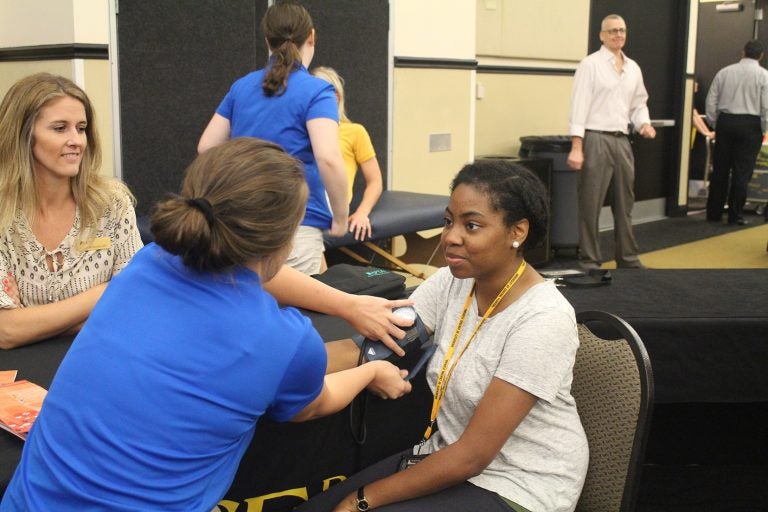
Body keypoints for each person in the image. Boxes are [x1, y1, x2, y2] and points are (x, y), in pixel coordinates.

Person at [0, 138, 412, 512]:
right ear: (285, 240)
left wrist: (346, 304)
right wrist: (371, 371)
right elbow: (314, 404)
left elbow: (251, 268)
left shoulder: (148, 263)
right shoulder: (283, 341)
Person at [296, 159, 588, 512]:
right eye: (449, 221)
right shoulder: (453, 283)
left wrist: (360, 499)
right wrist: (283, 368)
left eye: (472, 225)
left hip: (521, 484)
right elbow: (372, 348)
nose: (450, 237)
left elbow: (473, 456)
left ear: (518, 232)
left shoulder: (543, 319)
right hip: (446, 456)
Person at [198, 2, 348, 275]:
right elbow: (328, 158)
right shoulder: (317, 91)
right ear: (311, 36)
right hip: (293, 226)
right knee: (302, 314)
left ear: (267, 39)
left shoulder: (241, 86)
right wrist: (341, 217)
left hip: (244, 224)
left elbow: (206, 147)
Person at [0, 72, 142, 349]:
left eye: (81, 128)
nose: (77, 141)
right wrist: (107, 291)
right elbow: (6, 331)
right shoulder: (4, 215)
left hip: (100, 360)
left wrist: (33, 323)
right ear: (24, 136)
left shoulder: (112, 203)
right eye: (60, 128)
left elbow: (136, 304)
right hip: (20, 378)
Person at [567, 14, 656, 269]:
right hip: (595, 139)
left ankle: (628, 257)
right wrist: (577, 146)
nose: (618, 35)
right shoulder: (590, 65)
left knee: (625, 203)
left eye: (622, 30)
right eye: (613, 31)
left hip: (622, 141)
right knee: (590, 203)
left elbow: (639, 103)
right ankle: (590, 259)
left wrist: (644, 124)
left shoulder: (633, 68)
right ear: (602, 35)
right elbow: (579, 105)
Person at [312, 66, 383, 241]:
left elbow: (375, 181)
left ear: (335, 97)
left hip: (328, 205)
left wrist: (362, 213)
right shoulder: (303, 132)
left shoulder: (354, 132)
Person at [705, 40, 768, 226]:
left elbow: (711, 101)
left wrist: (715, 123)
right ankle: (735, 215)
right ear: (761, 56)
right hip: (751, 124)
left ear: (743, 52)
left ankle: (714, 213)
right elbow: (766, 107)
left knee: (720, 170)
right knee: (742, 172)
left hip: (726, 122)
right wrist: (764, 127)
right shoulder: (764, 76)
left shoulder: (724, 72)